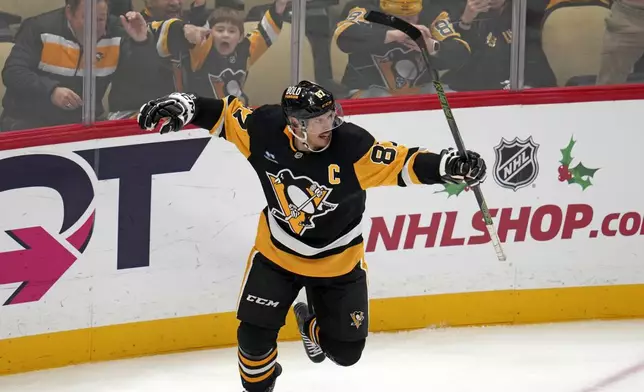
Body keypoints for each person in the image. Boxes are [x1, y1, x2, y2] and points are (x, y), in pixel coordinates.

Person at [136, 80, 487, 392]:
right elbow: (226, 115)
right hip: (277, 255)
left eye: (330, 115)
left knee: (347, 354)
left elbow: (403, 162)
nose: (329, 125)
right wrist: (185, 104)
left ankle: (309, 323)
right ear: (296, 124)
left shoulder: (352, 147)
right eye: (319, 121)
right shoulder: (265, 130)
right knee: (252, 340)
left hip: (338, 262)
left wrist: (449, 166)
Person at [0, 0, 154, 131]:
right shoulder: (39, 28)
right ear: (69, 12)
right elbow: (13, 71)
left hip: (83, 124)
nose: (94, 27)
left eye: (100, 19)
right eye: (87, 18)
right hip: (27, 122)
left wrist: (141, 42)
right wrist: (51, 91)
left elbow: (142, 80)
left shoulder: (118, 33)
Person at [148, 0, 291, 105]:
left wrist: (279, 6)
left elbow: (264, 33)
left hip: (236, 117)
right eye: (220, 30)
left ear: (240, 37)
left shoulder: (245, 49)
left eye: (232, 31)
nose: (226, 35)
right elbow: (179, 36)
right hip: (203, 121)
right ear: (210, 32)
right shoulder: (202, 50)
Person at [333, 0, 471, 98]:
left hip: (423, 91)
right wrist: (391, 34)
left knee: (455, 100)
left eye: (412, 17)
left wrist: (432, 46)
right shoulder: (364, 10)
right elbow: (343, 35)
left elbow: (461, 51)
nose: (408, 22)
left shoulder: (433, 13)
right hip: (368, 90)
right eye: (399, 19)